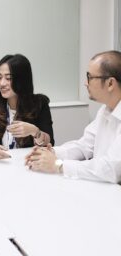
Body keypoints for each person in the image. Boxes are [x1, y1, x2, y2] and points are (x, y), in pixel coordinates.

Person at [25, 50, 121, 184]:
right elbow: (84, 146)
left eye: (90, 77)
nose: (85, 83)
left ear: (110, 83)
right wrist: (51, 153)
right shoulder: (105, 110)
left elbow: (112, 169)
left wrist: (59, 165)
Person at [0, 54, 54, 160]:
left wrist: (35, 132)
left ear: (22, 80)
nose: (2, 83)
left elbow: (49, 144)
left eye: (8, 78)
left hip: (27, 164)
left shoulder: (40, 104)